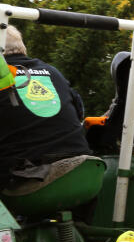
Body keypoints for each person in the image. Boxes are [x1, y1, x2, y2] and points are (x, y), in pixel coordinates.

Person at [0, 26, 91, 189]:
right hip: (82, 171)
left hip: (29, 178)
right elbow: (79, 113)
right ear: (21, 46)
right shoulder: (53, 72)